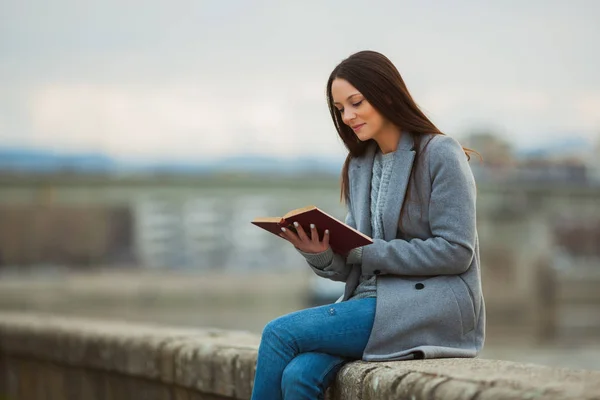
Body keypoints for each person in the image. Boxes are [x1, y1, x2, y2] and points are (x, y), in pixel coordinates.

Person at [250, 50, 485, 400]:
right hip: (367, 302)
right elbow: (354, 263)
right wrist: (321, 253)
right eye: (339, 108)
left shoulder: (440, 153)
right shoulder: (360, 165)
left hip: (427, 309)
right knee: (298, 375)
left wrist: (364, 250)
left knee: (279, 334)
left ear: (386, 93)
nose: (347, 116)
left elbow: (456, 252)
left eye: (355, 102)